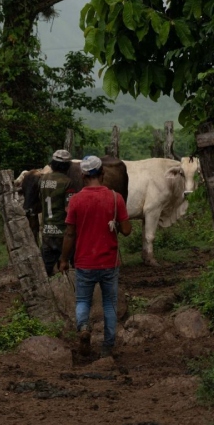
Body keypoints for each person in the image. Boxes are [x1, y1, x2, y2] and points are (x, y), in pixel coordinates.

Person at [59, 155, 131, 358]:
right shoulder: (116, 198)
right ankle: (107, 346)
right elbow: (127, 230)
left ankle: (83, 327)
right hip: (109, 262)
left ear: (83, 176)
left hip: (84, 262)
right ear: (103, 173)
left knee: (83, 300)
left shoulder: (75, 200)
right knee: (109, 303)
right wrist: (115, 223)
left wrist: (64, 260)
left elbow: (70, 234)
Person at [38, 149, 75, 276]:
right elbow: (69, 209)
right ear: (67, 166)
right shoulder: (67, 182)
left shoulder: (42, 180)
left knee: (46, 270)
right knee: (68, 266)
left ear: (52, 163)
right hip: (62, 233)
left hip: (46, 231)